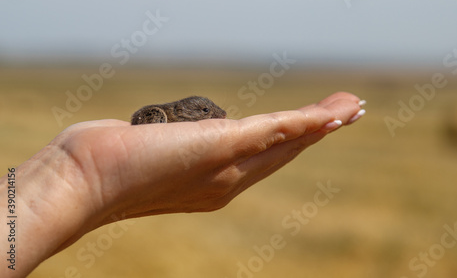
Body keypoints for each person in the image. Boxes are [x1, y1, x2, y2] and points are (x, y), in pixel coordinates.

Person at [0, 92, 365, 277]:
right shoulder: (165, 116)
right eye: (207, 113)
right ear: (191, 113)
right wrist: (79, 175)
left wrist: (63, 174)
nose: (215, 116)